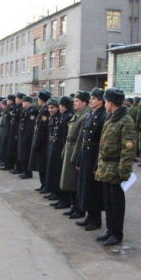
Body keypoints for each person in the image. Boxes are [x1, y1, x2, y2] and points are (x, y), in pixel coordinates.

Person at [95, 88, 136, 246]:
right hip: (106, 167)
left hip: (116, 167)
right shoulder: (111, 118)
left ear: (110, 103)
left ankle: (117, 233)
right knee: (108, 202)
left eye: (105, 101)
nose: (105, 104)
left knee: (116, 203)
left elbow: (129, 148)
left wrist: (124, 171)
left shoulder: (125, 121)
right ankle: (110, 230)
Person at [76, 88, 107, 231]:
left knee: (93, 189)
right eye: (91, 98)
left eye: (94, 98)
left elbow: (102, 143)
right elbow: (84, 139)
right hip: (86, 155)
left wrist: (97, 163)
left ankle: (96, 219)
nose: (91, 101)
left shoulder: (102, 117)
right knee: (85, 187)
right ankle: (89, 215)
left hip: (94, 155)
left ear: (101, 101)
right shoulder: (90, 115)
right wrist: (79, 159)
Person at [60, 91, 91, 219]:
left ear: (84, 103)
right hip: (69, 148)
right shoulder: (78, 114)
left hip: (75, 151)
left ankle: (79, 209)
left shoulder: (85, 116)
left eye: (77, 101)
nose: (75, 103)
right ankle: (74, 206)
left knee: (74, 181)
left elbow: (80, 139)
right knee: (68, 180)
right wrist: (64, 151)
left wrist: (75, 157)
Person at [47, 96, 73, 208]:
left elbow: (64, 136)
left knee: (60, 174)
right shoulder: (63, 116)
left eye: (60, 105)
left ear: (63, 106)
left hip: (60, 148)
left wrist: (63, 152)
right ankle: (59, 196)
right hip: (55, 146)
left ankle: (64, 199)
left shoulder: (68, 116)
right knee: (55, 172)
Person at [30, 90, 51, 190]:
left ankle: (45, 185)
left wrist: (36, 143)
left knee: (42, 165)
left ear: (41, 100)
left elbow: (42, 129)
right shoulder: (43, 109)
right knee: (40, 164)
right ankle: (43, 184)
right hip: (41, 141)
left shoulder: (45, 111)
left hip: (43, 143)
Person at [18, 96, 38, 179]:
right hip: (22, 135)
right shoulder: (26, 111)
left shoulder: (31, 112)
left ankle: (28, 172)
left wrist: (26, 138)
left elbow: (30, 127)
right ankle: (25, 171)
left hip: (27, 137)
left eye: (24, 102)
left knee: (26, 155)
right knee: (22, 154)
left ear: (29, 102)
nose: (23, 103)